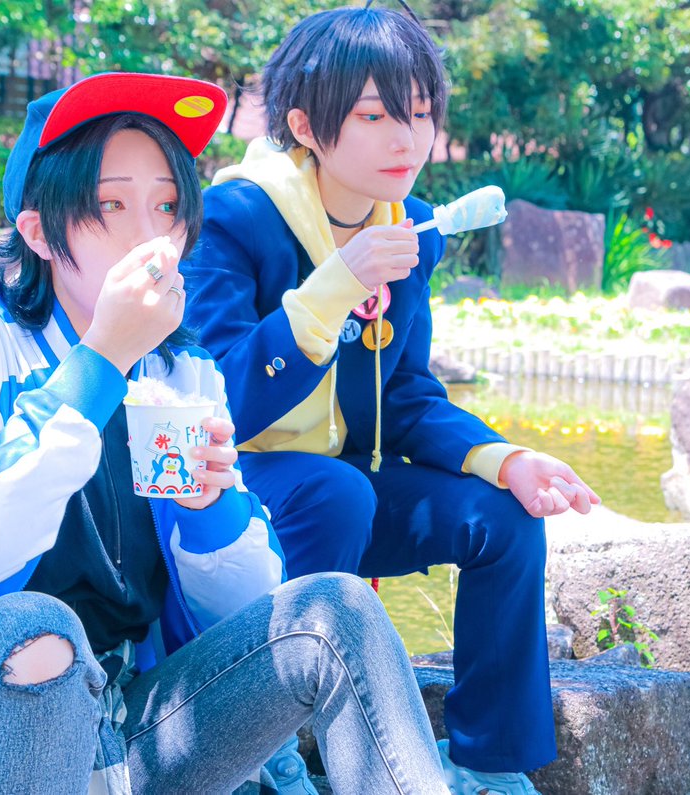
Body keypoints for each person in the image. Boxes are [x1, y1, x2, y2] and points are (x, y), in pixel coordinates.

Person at [0, 71, 448, 795]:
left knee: (335, 609)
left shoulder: (182, 371)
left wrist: (212, 510)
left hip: (125, 735)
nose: (151, 235)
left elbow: (246, 613)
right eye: (110, 205)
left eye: (167, 206)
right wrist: (101, 360)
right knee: (33, 627)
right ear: (39, 232)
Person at [181, 7, 601, 794]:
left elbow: (404, 393)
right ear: (305, 125)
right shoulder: (233, 220)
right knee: (333, 491)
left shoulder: (411, 226)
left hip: (349, 491)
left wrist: (505, 459)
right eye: (375, 116)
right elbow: (221, 401)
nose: (407, 138)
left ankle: (488, 758)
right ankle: (267, 740)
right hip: (240, 496)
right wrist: (337, 283)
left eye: (419, 112)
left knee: (503, 515)